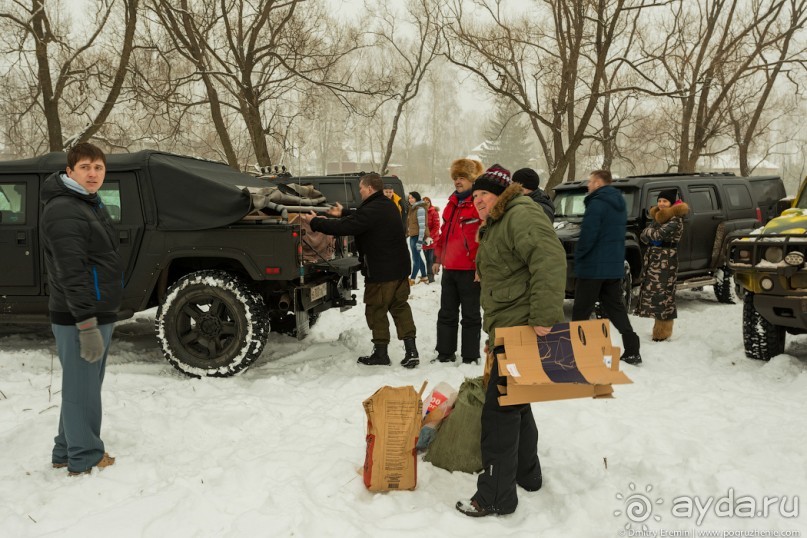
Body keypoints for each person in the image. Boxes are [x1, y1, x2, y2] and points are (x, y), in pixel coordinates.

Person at [456, 164, 566, 517]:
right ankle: (527, 474)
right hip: (507, 326)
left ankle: (495, 496)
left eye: (482, 195)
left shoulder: (520, 214)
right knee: (518, 402)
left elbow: (549, 258)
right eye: (473, 198)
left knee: (499, 413)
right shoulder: (499, 223)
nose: (477, 202)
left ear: (501, 194)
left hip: (523, 328)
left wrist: (544, 317)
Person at [40, 142, 121, 476]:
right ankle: (84, 455)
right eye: (86, 167)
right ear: (70, 171)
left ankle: (65, 449)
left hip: (93, 310)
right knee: (82, 387)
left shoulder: (85, 202)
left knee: (81, 384)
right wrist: (86, 324)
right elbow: (70, 270)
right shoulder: (65, 209)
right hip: (80, 315)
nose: (93, 173)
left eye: (99, 167)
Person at [300, 173, 420, 368]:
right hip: (399, 270)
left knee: (376, 310)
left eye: (362, 188)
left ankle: (380, 354)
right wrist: (345, 211)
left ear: (370, 188)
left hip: (381, 272)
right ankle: (411, 351)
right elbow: (362, 216)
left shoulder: (373, 209)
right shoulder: (387, 204)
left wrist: (315, 222)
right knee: (400, 308)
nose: (360, 191)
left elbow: (346, 227)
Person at [571, 169, 642, 365]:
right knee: (615, 308)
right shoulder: (619, 204)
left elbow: (588, 235)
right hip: (612, 266)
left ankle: (575, 352)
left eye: (590, 182)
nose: (588, 185)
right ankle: (632, 348)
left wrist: (580, 256)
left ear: (599, 184)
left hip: (593, 267)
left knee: (581, 311)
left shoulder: (597, 204)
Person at [432, 158, 485, 365]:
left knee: (471, 316)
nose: (457, 181)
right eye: (455, 177)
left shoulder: (478, 204)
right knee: (446, 313)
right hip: (450, 268)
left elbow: (485, 238)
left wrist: (480, 266)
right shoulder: (451, 204)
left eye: (462, 177)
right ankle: (445, 353)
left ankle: (470, 356)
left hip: (470, 269)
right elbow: (443, 234)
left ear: (472, 179)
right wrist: (438, 258)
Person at [634, 189, 690, 341]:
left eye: (665, 201)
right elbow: (644, 237)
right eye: (659, 201)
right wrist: (649, 233)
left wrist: (649, 232)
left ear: (671, 203)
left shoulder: (675, 219)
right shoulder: (659, 219)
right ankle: (658, 330)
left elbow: (656, 235)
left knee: (664, 295)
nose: (661, 204)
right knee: (656, 295)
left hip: (666, 261)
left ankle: (663, 332)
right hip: (655, 259)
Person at [406, 191, 430, 285]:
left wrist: (420, 241)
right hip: (413, 236)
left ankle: (412, 279)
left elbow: (422, 226)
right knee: (418, 257)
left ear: (417, 198)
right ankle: (424, 276)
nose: (410, 199)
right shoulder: (413, 209)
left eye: (412, 198)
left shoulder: (420, 209)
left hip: (416, 237)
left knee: (415, 259)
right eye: (409, 198)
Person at [422, 196, 441, 283]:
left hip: (433, 239)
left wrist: (430, 237)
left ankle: (431, 277)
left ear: (430, 203)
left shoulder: (434, 212)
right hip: (424, 240)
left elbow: (436, 226)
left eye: (428, 202)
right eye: (424, 202)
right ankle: (430, 274)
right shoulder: (421, 212)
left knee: (431, 259)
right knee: (427, 259)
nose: (426, 203)